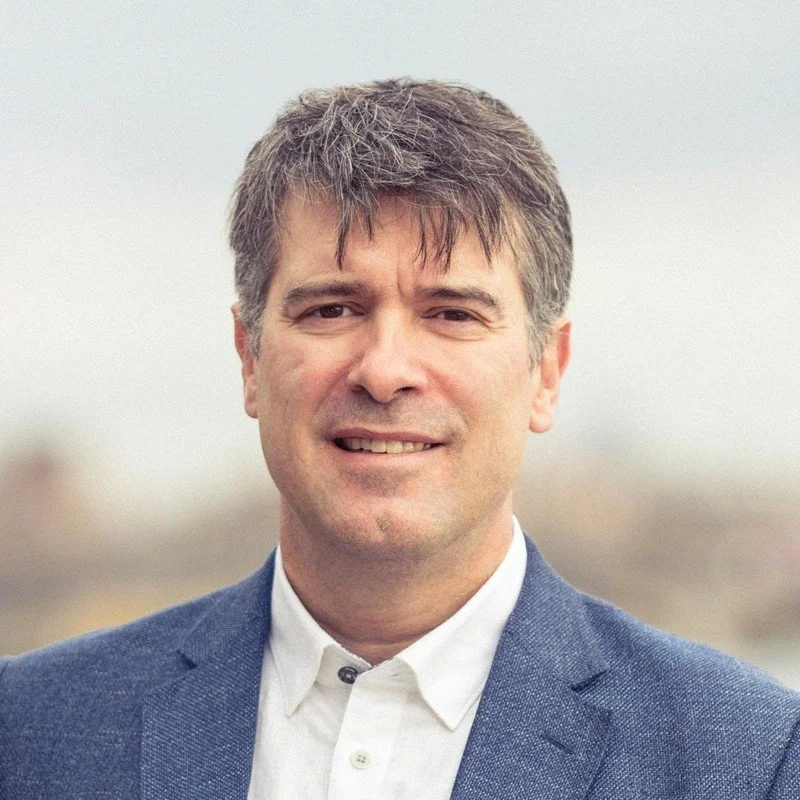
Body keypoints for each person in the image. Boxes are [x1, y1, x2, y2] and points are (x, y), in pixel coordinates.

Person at [0, 78, 797, 799]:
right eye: (331, 309)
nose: (385, 371)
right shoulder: (28, 734)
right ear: (249, 359)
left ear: (546, 372)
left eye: (451, 313)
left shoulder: (752, 762)